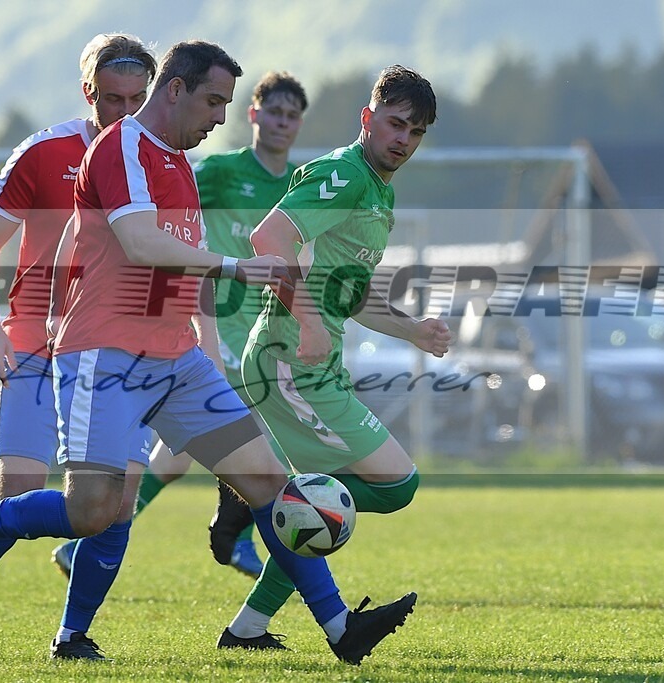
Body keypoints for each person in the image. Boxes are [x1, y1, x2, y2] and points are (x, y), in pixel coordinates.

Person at [0, 40, 418, 666]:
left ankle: (342, 629)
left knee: (270, 485)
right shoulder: (122, 145)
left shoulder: (179, 162)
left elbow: (165, 260)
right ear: (175, 90)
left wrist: (206, 334)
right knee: (92, 511)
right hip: (106, 358)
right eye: (213, 101)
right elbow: (142, 242)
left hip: (178, 362)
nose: (219, 118)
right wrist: (236, 267)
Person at [0, 33, 157, 661]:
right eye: (112, 99)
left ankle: (72, 637)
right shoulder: (45, 152)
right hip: (36, 344)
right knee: (16, 491)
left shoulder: (161, 160)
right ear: (88, 92)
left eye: (137, 100)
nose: (124, 113)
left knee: (118, 501)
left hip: (119, 351)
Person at [215, 65, 452, 651]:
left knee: (321, 502)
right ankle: (260, 508)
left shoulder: (378, 189)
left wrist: (413, 331)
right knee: (392, 486)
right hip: (288, 360)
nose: (403, 139)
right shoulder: (344, 175)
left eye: (416, 132)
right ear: (367, 118)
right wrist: (310, 321)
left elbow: (350, 293)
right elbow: (269, 239)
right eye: (395, 124)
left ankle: (248, 627)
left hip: (310, 364)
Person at [51, 70, 309, 580]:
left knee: (226, 446)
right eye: (274, 112)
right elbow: (160, 235)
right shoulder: (215, 170)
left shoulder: (297, 183)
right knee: (209, 446)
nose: (282, 123)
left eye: (292, 116)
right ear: (253, 115)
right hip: (211, 320)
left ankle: (230, 532)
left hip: (258, 325)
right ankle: (229, 533)